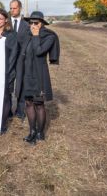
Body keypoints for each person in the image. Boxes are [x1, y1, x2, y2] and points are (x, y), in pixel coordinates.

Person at [21, 11, 60, 144]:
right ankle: (32, 131)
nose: (32, 25)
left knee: (38, 104)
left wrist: (36, 36)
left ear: (42, 23)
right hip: (27, 74)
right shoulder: (27, 35)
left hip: (39, 74)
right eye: (30, 23)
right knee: (28, 103)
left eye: (36, 23)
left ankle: (40, 132)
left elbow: (39, 51)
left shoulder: (49, 37)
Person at [0, 9, 18, 133]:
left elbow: (13, 55)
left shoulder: (11, 34)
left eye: (1, 18)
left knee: (6, 97)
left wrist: (7, 71)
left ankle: (2, 123)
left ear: (6, 20)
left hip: (7, 71)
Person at [9, 0, 30, 120]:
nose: (12, 10)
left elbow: (27, 44)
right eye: (11, 8)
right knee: (8, 83)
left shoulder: (26, 25)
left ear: (20, 8)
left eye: (14, 8)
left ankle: (20, 110)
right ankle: (7, 110)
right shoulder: (5, 23)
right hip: (8, 59)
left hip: (21, 60)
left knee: (21, 84)